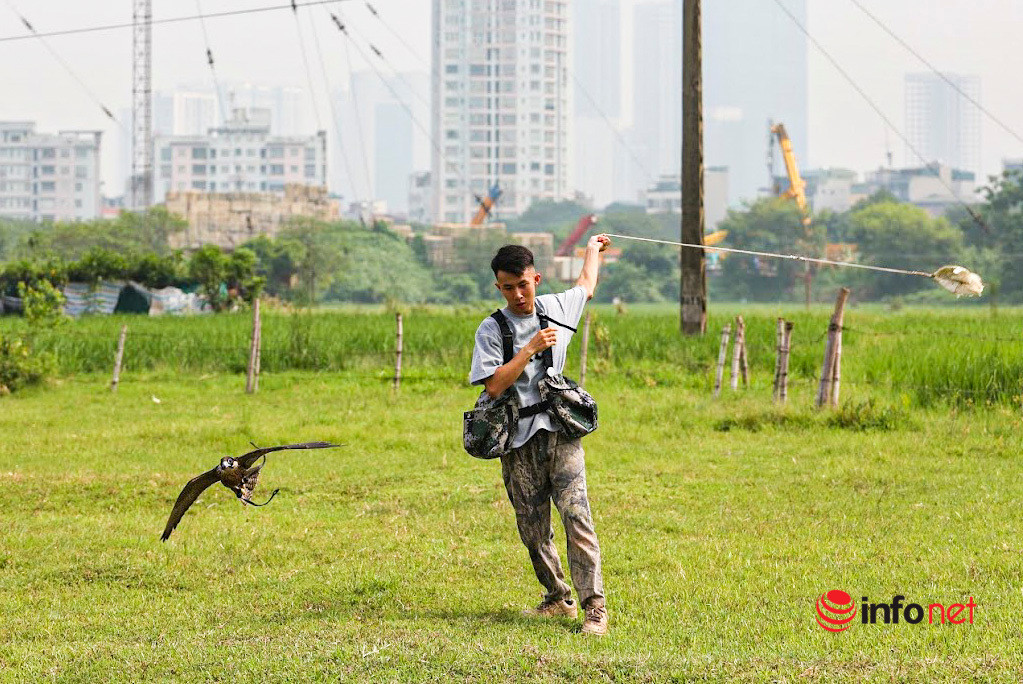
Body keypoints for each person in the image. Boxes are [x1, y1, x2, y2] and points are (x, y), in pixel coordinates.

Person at [469, 234, 611, 636]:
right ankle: (557, 597)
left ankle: (594, 608)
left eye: (524, 285)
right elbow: (494, 386)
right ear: (499, 287)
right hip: (517, 441)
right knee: (532, 529)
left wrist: (591, 250)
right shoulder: (492, 329)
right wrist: (528, 348)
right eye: (508, 287)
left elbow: (586, 283)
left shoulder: (558, 308)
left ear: (537, 278)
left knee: (576, 516)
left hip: (561, 435)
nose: (517, 294)